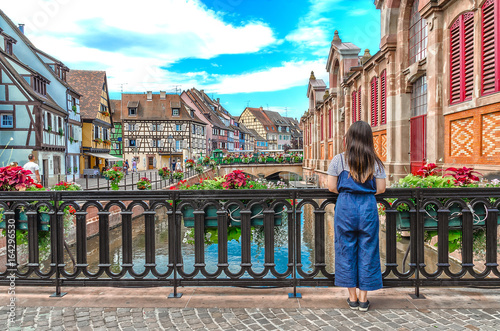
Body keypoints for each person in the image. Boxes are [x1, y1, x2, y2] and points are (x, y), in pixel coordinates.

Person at [327, 121, 386, 312]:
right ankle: (363, 299)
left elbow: (331, 187)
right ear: (369, 139)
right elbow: (381, 189)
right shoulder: (375, 162)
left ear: (349, 138)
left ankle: (351, 298)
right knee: (368, 250)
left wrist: (349, 192)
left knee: (345, 249)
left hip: (345, 206)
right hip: (367, 207)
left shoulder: (339, 160)